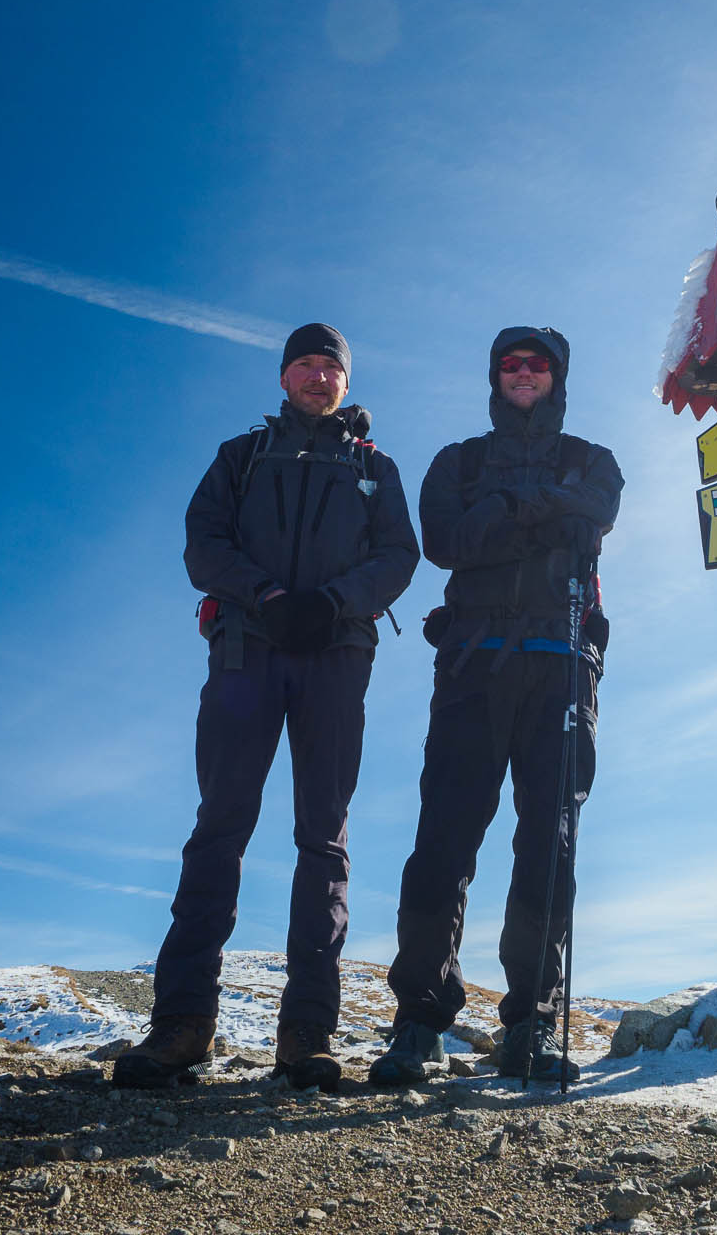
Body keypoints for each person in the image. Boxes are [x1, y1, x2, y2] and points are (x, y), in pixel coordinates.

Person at [114, 323, 419, 1093]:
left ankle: (306, 1037)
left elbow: (398, 557)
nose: (319, 378)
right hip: (246, 655)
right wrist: (271, 597)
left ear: (346, 382)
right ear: (285, 376)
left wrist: (332, 604)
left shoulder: (376, 470)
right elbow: (202, 541)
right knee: (220, 827)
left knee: (324, 839)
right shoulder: (240, 457)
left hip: (337, 661)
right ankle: (182, 1027)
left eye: (331, 368)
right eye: (306, 365)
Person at [370, 325, 622, 1085]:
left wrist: (503, 515)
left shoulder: (594, 460)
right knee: (443, 842)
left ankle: (531, 1026)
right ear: (495, 376)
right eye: (510, 364)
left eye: (537, 365)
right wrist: (537, 508)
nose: (523, 373)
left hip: (563, 661)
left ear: (557, 377)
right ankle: (418, 1022)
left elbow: (593, 517)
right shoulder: (458, 461)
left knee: (549, 846)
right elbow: (446, 543)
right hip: (473, 666)